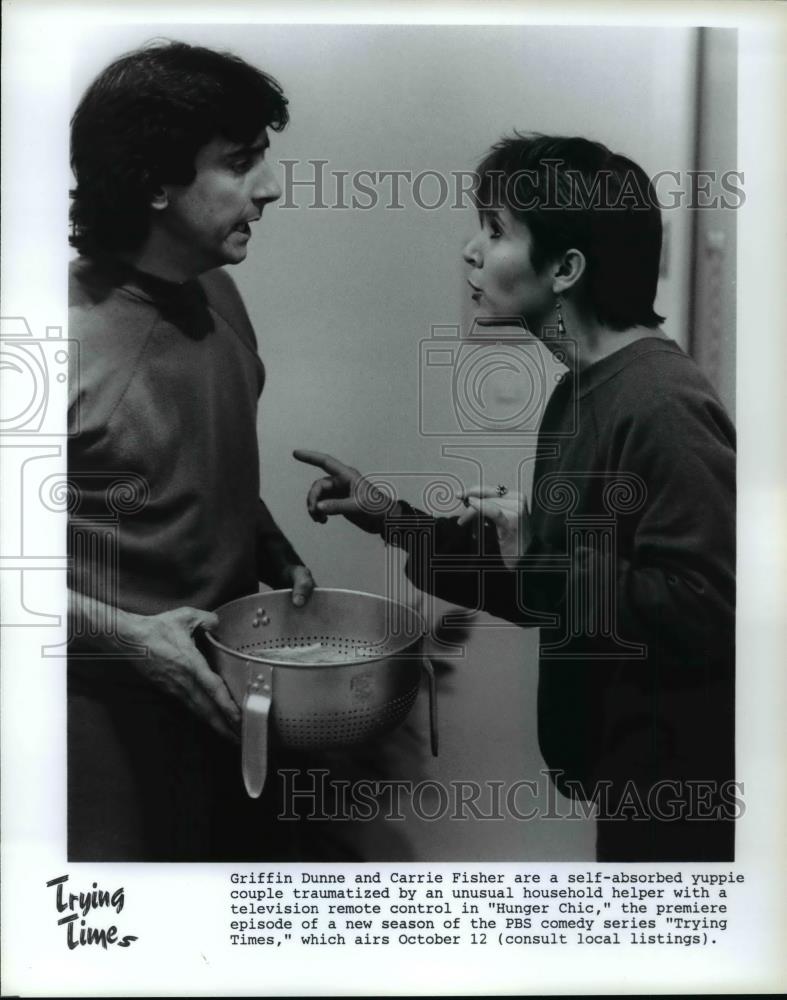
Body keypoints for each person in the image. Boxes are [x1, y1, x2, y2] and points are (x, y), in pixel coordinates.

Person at [296, 134, 737, 862]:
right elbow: (546, 589)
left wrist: (537, 553)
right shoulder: (579, 390)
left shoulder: (661, 402)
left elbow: (706, 614)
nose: (471, 252)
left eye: (495, 231)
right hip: (622, 777)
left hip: (679, 792)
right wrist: (392, 519)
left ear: (565, 268)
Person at [67, 40, 315, 861]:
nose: (272, 187)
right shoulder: (46, 340)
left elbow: (195, 448)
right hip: (98, 729)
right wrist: (131, 637)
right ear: (155, 184)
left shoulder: (219, 290)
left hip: (227, 700)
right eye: (241, 163)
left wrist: (266, 540)